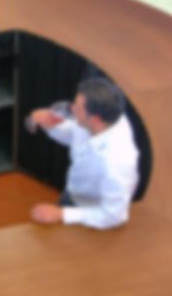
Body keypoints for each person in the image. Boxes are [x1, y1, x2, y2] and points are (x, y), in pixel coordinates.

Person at [29, 77, 139, 229]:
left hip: (95, 218)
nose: (71, 109)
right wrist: (51, 127)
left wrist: (62, 214)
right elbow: (75, 135)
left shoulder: (117, 162)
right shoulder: (101, 119)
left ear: (95, 120)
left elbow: (113, 215)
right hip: (73, 195)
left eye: (77, 108)